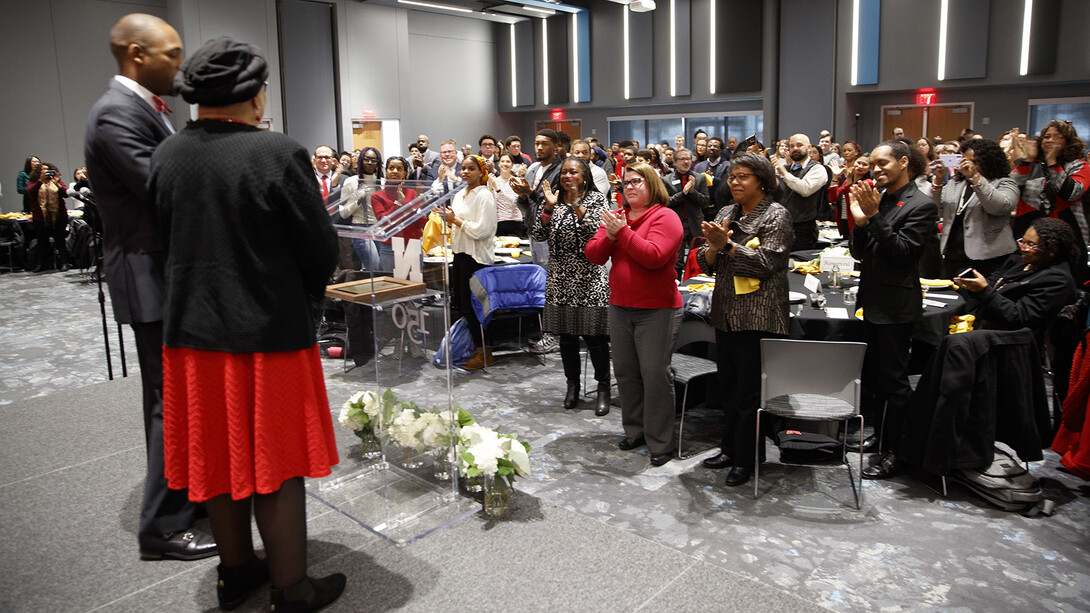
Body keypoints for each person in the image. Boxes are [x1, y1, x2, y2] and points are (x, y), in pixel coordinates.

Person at [150, 37, 345, 611]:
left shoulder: (167, 155)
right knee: (277, 465)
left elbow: (161, 244)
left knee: (218, 457)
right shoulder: (276, 153)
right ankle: (293, 588)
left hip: (190, 334)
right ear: (255, 97)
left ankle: (235, 573)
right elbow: (319, 248)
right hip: (266, 334)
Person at [83, 12, 215, 562]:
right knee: (169, 403)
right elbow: (165, 189)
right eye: (171, 54)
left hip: (165, 273)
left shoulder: (145, 110)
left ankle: (189, 500)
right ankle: (163, 525)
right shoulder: (117, 114)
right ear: (136, 54)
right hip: (149, 275)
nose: (179, 65)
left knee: (179, 399)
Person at [696, 153, 793, 487]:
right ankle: (728, 448)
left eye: (743, 177)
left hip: (758, 314)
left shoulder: (776, 215)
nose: (734, 182)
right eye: (732, 177)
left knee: (749, 393)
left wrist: (728, 246)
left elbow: (768, 263)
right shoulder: (726, 212)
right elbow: (706, 262)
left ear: (762, 181)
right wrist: (712, 248)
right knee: (728, 389)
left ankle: (746, 458)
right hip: (726, 312)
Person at [848, 140, 939, 478]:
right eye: (873, 164)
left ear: (904, 162)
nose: (876, 169)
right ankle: (880, 437)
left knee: (895, 384)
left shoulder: (922, 205)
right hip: (872, 303)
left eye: (883, 163)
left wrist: (873, 217)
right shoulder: (881, 199)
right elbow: (861, 253)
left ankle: (896, 453)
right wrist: (860, 223)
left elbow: (902, 253)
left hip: (896, 307)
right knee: (876, 380)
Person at [586, 162, 684, 467]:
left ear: (652, 185)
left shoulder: (666, 216)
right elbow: (593, 254)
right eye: (625, 183)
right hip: (620, 306)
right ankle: (635, 430)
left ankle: (660, 441)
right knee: (626, 374)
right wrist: (611, 237)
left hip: (657, 310)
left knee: (654, 376)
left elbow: (653, 257)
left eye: (636, 181)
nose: (629, 187)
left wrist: (622, 234)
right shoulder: (616, 218)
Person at [531, 156, 612, 414]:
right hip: (560, 276)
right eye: (564, 173)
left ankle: (603, 387)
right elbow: (538, 234)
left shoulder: (597, 200)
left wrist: (577, 203)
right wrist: (548, 208)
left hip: (589, 275)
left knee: (594, 336)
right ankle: (572, 386)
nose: (567, 177)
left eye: (573, 172)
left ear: (584, 175)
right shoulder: (554, 199)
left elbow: (595, 234)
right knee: (567, 337)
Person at [954, 217, 1078, 341]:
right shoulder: (1021, 261)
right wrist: (974, 285)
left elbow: (1019, 317)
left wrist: (984, 291)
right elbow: (994, 281)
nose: (1023, 248)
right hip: (988, 323)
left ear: (1051, 250)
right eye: (1023, 241)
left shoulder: (1057, 281)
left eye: (1031, 244)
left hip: (1012, 340)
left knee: (955, 343)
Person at [1010, 121, 1089, 282]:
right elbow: (1015, 189)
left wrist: (1053, 163)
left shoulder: (1080, 166)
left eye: (1057, 137)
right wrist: (1027, 160)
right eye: (1046, 136)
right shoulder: (1033, 165)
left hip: (1067, 238)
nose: (1050, 140)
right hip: (1030, 234)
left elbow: (1070, 193)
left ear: (1068, 141)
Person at [930, 139, 1020, 279]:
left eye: (975, 162)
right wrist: (938, 182)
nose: (969, 165)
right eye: (965, 160)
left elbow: (999, 207)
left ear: (989, 162)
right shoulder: (955, 183)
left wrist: (975, 178)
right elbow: (934, 210)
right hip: (952, 257)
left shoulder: (1005, 182)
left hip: (988, 259)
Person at [441, 155, 498, 371]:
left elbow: (482, 230)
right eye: (463, 168)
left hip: (477, 258)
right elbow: (458, 225)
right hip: (460, 254)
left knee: (477, 307)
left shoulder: (484, 195)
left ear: (481, 172)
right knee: (464, 305)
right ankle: (474, 347)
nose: (465, 172)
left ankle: (486, 351)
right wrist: (449, 220)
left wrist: (455, 220)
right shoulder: (460, 194)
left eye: (471, 168)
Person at [371, 155, 426, 271]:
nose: (395, 171)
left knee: (414, 286)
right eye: (391, 168)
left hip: (412, 245)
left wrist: (416, 201)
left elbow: (420, 223)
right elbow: (384, 222)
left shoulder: (413, 193)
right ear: (385, 171)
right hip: (390, 247)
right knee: (393, 286)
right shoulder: (377, 196)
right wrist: (399, 203)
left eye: (399, 169)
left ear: (405, 173)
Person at [337, 146, 383, 269]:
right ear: (360, 160)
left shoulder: (382, 182)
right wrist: (358, 199)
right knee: (375, 266)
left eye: (374, 160)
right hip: (361, 227)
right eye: (367, 159)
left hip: (381, 228)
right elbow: (343, 213)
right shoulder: (351, 182)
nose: (370, 163)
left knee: (383, 269)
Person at [25, 162, 71, 272]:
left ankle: (65, 263)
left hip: (59, 216)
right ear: (38, 172)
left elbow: (66, 194)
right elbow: (29, 192)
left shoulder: (56, 181)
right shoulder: (34, 182)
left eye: (48, 169)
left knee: (60, 240)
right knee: (42, 241)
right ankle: (41, 264)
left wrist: (57, 183)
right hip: (40, 217)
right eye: (43, 170)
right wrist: (40, 180)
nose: (46, 171)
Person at [827, 153, 871, 236]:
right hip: (844, 221)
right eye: (858, 163)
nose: (860, 166)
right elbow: (833, 199)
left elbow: (850, 199)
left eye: (865, 164)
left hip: (856, 223)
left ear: (869, 168)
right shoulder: (846, 181)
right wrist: (836, 176)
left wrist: (849, 178)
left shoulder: (868, 183)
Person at [491, 152, 525, 237]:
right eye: (502, 161)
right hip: (498, 222)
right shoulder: (493, 181)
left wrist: (497, 190)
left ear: (512, 164)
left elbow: (514, 202)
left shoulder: (518, 181)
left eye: (508, 161)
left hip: (515, 222)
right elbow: (492, 203)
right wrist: (491, 189)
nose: (505, 164)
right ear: (498, 164)